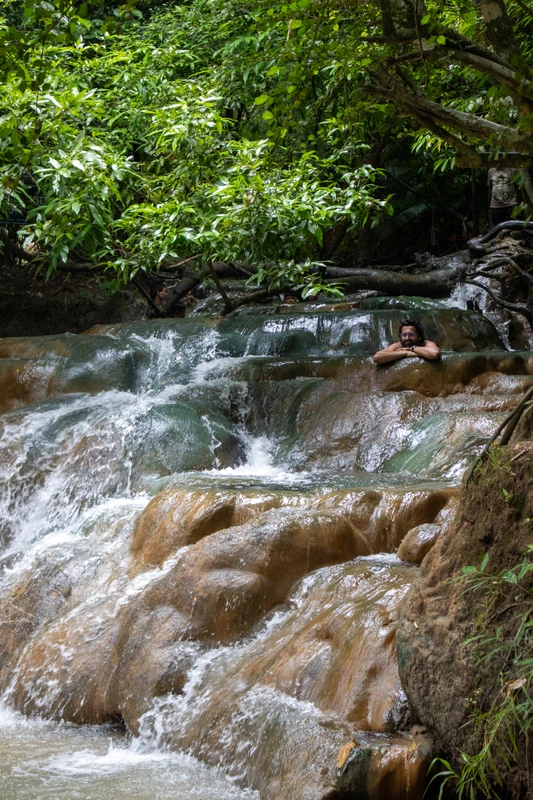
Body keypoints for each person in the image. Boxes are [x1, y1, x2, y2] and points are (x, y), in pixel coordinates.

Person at [372, 319, 440, 364]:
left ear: (419, 337)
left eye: (411, 334)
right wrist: (404, 353)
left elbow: (435, 354)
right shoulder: (399, 345)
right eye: (404, 335)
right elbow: (377, 358)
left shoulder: (426, 343)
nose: (407, 338)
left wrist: (411, 349)